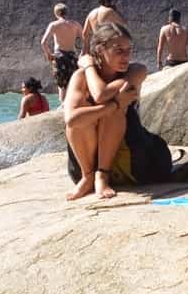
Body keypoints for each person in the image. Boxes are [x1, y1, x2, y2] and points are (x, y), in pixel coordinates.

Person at [63, 22, 148, 201]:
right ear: (100, 49)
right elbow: (71, 120)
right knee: (85, 117)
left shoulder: (136, 71)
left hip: (127, 155)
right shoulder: (80, 77)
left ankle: (102, 175)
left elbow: (101, 94)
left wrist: (88, 67)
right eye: (119, 50)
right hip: (86, 159)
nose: (126, 56)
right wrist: (115, 104)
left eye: (128, 50)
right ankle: (88, 177)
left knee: (113, 114)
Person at [40, 3, 84, 95]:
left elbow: (43, 42)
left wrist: (49, 55)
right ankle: (70, 104)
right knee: (72, 82)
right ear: (66, 12)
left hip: (59, 56)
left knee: (61, 85)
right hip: (72, 56)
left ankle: (63, 105)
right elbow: (85, 40)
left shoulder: (54, 25)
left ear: (56, 13)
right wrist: (82, 53)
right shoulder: (75, 24)